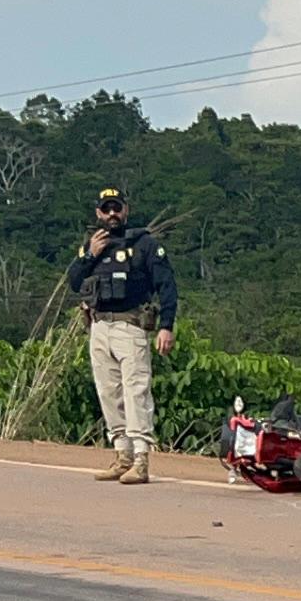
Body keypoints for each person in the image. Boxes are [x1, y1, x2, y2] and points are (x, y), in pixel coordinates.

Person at [66, 184, 176, 483]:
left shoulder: (144, 244)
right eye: (107, 209)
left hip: (131, 325)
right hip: (99, 326)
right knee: (108, 392)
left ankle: (141, 459)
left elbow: (167, 285)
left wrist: (166, 325)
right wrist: (90, 254)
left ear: (126, 210)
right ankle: (122, 454)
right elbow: (74, 281)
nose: (112, 214)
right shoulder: (93, 245)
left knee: (135, 391)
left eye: (117, 208)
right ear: (98, 213)